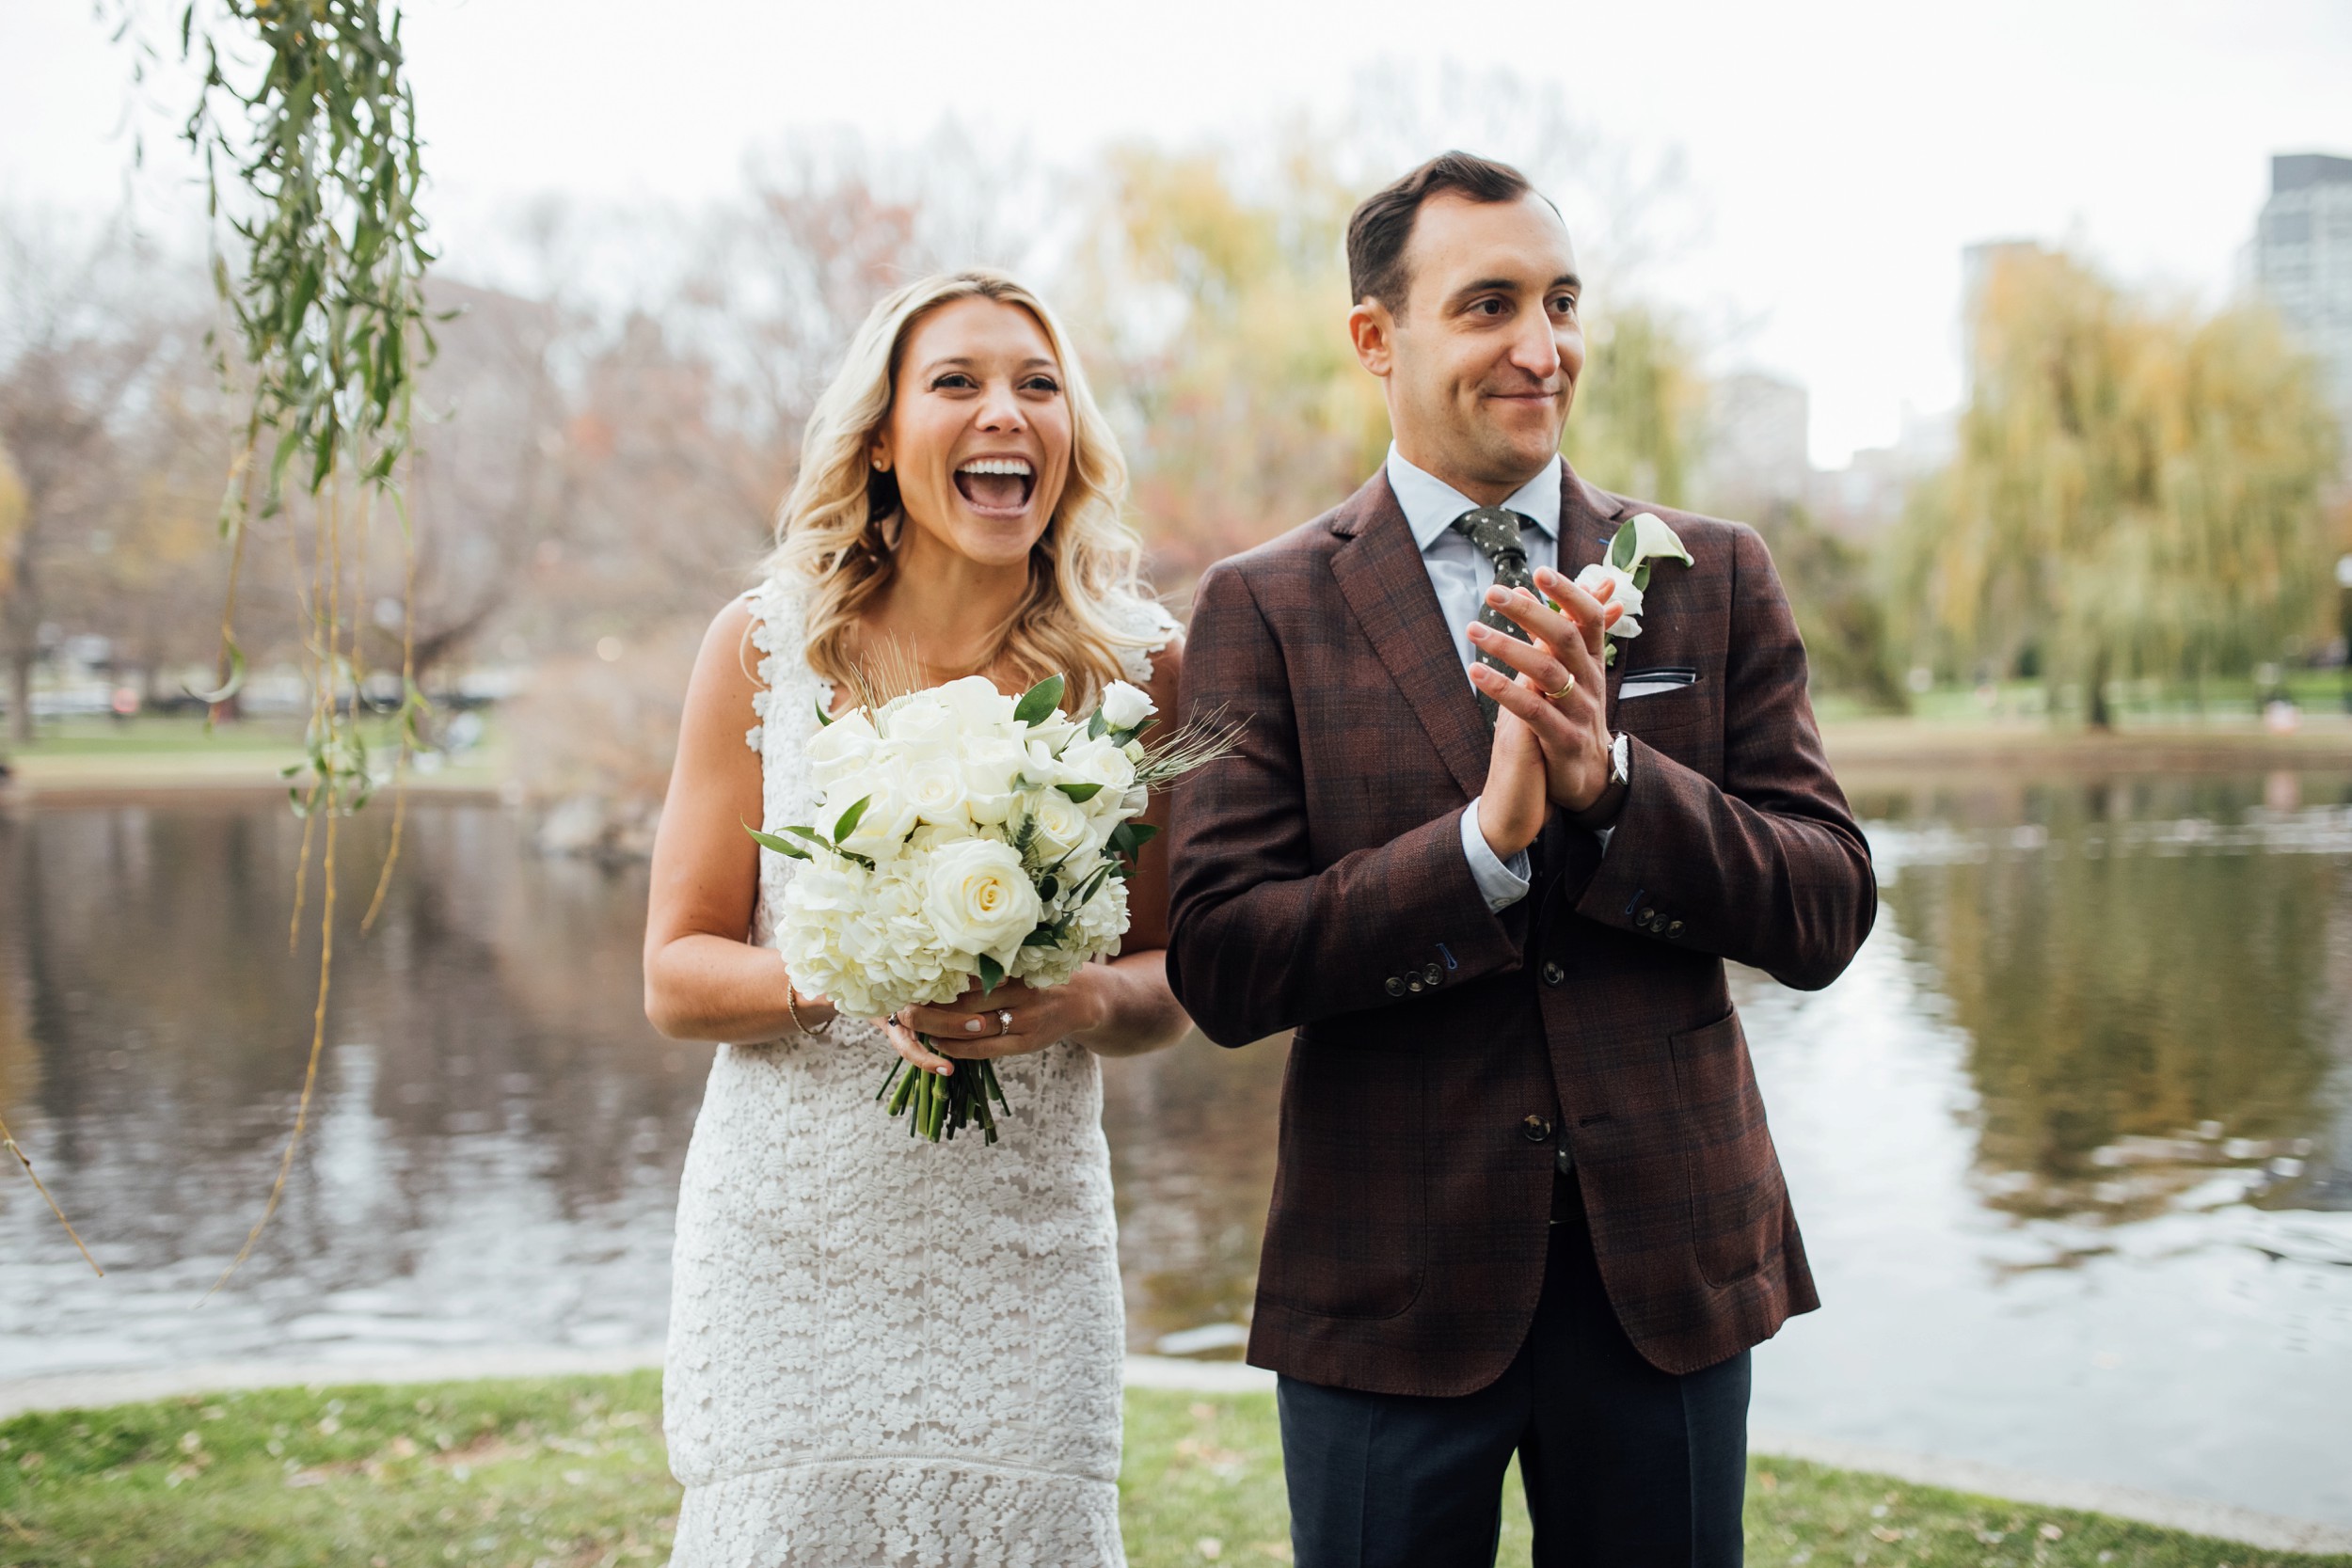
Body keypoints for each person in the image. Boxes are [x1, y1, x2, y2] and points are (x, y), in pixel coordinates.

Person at [1167, 152, 1877, 1567]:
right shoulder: (1263, 608)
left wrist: (1615, 786)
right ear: (1377, 338)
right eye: (1489, 305)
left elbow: (1825, 907)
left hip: (1665, 1271)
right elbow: (1227, 965)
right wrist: (1481, 850)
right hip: (1387, 1278)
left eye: (1561, 301)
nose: (1541, 349)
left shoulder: (1709, 571)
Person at [643, 269, 1191, 1566]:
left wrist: (1080, 1001)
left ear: (1072, 437)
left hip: (1024, 1247)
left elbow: (1174, 978)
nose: (1006, 414)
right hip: (791, 1244)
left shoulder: (1135, 668)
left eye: (1039, 386)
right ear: (882, 437)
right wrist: (848, 966)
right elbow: (675, 975)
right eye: (957, 383)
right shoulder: (767, 648)